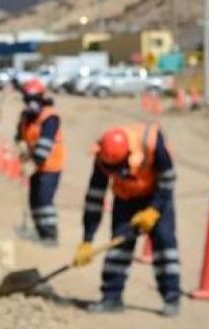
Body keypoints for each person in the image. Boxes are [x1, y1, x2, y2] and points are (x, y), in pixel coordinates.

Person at [73, 123, 180, 317]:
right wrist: (87, 240)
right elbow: (94, 198)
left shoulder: (152, 142)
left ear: (128, 155)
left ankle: (171, 297)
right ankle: (112, 298)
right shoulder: (102, 156)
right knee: (119, 246)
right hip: (125, 198)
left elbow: (169, 178)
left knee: (165, 244)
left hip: (157, 195)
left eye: (118, 169)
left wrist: (153, 210)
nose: (114, 173)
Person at [15, 79, 64, 245]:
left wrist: (33, 164)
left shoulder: (50, 118)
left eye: (32, 100)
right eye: (27, 100)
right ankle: (40, 231)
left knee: (44, 199)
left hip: (50, 166)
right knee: (34, 199)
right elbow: (20, 135)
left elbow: (45, 144)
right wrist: (20, 144)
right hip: (34, 165)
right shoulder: (25, 116)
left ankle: (50, 234)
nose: (29, 104)